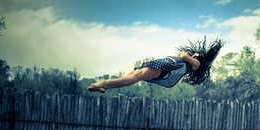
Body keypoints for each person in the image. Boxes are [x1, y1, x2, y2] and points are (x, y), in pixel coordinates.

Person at [87, 37, 224, 93]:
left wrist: (185, 53)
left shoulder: (197, 64)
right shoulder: (193, 63)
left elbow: (182, 55)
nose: (197, 54)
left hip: (164, 68)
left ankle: (104, 83)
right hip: (163, 66)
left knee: (136, 76)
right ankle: (106, 87)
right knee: (133, 76)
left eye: (199, 54)